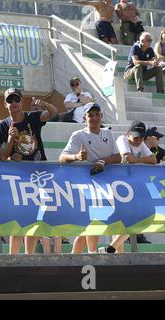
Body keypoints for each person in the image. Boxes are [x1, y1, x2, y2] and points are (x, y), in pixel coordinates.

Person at [0, 88, 58, 255]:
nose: (14, 103)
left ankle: (29, 258)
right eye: (10, 100)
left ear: (22, 102)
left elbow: (53, 112)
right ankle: (12, 259)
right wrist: (9, 141)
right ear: (5, 104)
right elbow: (2, 156)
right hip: (17, 179)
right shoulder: (3, 126)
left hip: (39, 176)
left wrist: (43, 103)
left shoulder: (33, 117)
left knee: (35, 218)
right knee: (18, 219)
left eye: (17, 100)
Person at [59, 103, 121, 254]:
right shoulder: (79, 135)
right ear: (84, 118)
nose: (94, 118)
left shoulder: (108, 133)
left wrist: (102, 161)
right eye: (90, 115)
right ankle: (91, 255)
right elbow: (62, 158)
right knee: (93, 222)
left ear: (101, 116)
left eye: (96, 114)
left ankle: (76, 258)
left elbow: (118, 157)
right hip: (88, 185)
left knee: (104, 223)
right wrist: (76, 157)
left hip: (109, 184)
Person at [103, 121, 156, 253]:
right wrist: (141, 161)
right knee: (121, 221)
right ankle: (116, 253)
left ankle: (113, 249)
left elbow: (154, 160)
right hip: (116, 185)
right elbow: (128, 158)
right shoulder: (122, 140)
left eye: (142, 137)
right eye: (136, 137)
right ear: (128, 134)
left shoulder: (140, 143)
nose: (139, 140)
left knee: (135, 220)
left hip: (130, 186)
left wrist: (136, 160)